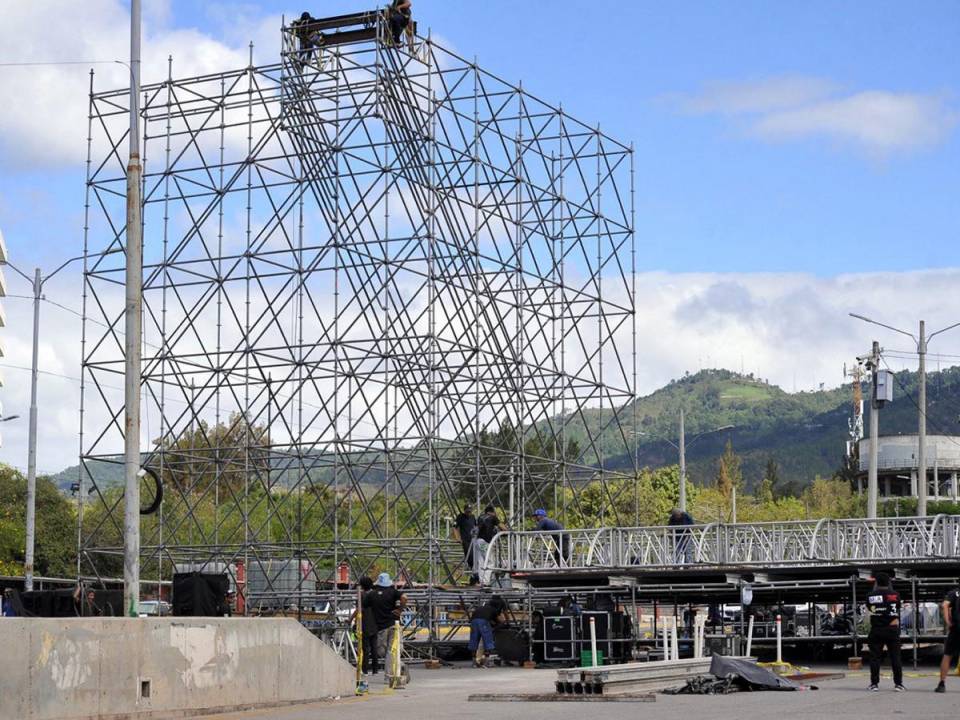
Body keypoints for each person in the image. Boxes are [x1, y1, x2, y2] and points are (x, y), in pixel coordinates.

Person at [866, 572, 905, 692]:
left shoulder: (870, 596)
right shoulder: (895, 595)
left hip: (877, 629)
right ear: (889, 582)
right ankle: (898, 684)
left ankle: (874, 684)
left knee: (875, 658)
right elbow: (897, 607)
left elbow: (869, 608)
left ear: (876, 582)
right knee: (895, 657)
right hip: (892, 629)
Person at [369, 573, 407, 679]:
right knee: (393, 650)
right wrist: (400, 610)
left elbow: (363, 606)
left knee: (382, 651)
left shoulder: (373, 594)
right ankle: (396, 669)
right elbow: (404, 597)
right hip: (394, 624)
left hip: (381, 627)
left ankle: (391, 673)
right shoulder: (393, 592)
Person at [469, 596, 506, 667]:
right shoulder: (494, 610)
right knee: (488, 641)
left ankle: (474, 663)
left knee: (473, 641)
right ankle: (486, 662)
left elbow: (472, 618)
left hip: (474, 622)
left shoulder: (480, 608)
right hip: (483, 622)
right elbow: (499, 621)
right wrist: (502, 624)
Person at [936, 584, 960, 693]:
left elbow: (944, 605)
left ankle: (942, 684)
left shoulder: (954, 593)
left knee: (947, 655)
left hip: (956, 628)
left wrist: (948, 622)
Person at [357, 576, 380, 676]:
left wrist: (350, 620)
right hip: (375, 623)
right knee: (374, 648)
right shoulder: (375, 594)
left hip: (365, 623)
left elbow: (359, 609)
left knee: (365, 648)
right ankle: (375, 670)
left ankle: (365, 670)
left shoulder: (361, 595)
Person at [454, 505, 478, 582]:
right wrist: (457, 538)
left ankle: (475, 575)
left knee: (475, 557)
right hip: (465, 540)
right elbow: (455, 527)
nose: (469, 513)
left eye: (470, 511)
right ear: (464, 511)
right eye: (467, 511)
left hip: (473, 540)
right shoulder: (460, 517)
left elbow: (476, 527)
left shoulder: (473, 517)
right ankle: (473, 574)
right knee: (469, 557)